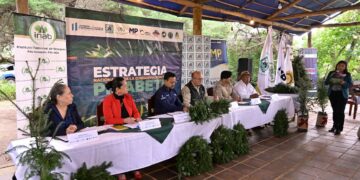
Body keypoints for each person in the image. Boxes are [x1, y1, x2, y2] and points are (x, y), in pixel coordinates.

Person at [325, 60, 352, 135]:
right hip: (332, 94)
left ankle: (339, 128)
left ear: (345, 67)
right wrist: (331, 81)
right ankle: (334, 126)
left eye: (343, 66)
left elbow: (349, 85)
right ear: (337, 65)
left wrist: (343, 82)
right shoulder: (332, 73)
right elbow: (326, 82)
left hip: (342, 95)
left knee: (340, 111)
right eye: (339, 65)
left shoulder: (347, 74)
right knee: (335, 111)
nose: (340, 67)